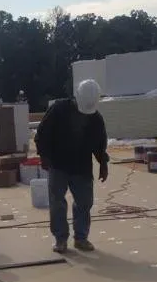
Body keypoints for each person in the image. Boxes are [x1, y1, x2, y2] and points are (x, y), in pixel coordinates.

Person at [35, 79, 109, 254]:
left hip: (81, 166)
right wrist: (43, 156)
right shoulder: (58, 109)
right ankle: (61, 239)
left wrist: (103, 164)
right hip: (58, 164)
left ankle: (81, 238)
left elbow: (100, 144)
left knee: (85, 202)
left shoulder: (96, 119)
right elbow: (42, 134)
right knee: (57, 202)